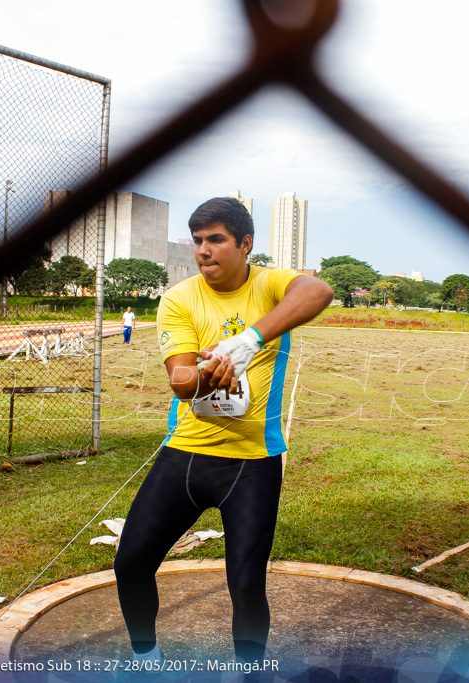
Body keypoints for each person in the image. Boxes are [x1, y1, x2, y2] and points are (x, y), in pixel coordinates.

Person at [113, 197, 333, 664]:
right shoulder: (179, 298)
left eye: (216, 239)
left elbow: (317, 293)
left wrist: (247, 342)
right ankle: (146, 660)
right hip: (186, 455)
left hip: (252, 464)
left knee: (247, 584)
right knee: (131, 563)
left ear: (245, 243)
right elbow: (179, 380)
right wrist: (209, 371)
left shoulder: (270, 284)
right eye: (197, 241)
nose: (203, 250)